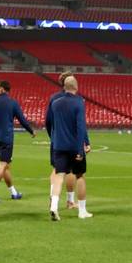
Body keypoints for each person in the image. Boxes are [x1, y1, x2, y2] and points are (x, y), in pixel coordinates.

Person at [46, 77, 92, 221]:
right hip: (74, 146)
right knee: (79, 176)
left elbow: (49, 123)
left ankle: (54, 206)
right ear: (76, 87)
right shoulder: (78, 103)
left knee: (59, 176)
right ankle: (82, 211)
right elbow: (80, 127)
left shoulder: (55, 103)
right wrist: (81, 148)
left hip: (58, 145)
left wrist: (53, 138)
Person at [0, 80, 34, 202]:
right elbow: (22, 119)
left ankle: (14, 193)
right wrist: (31, 131)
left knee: (5, 165)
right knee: (3, 164)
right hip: (6, 138)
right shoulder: (13, 103)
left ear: (2, 89)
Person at [46, 72, 77, 210]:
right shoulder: (75, 100)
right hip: (71, 140)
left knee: (56, 169)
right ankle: (70, 201)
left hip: (56, 139)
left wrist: (52, 135)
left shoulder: (54, 98)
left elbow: (47, 121)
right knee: (70, 171)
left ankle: (53, 196)